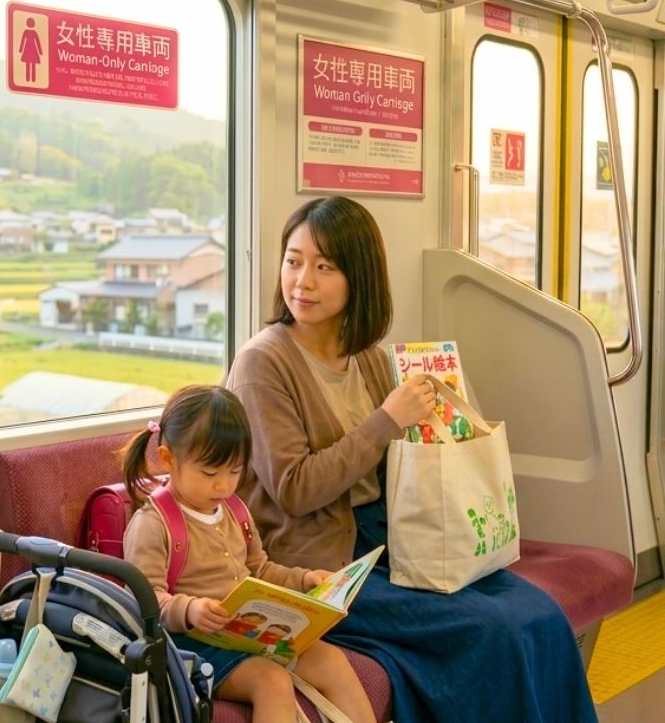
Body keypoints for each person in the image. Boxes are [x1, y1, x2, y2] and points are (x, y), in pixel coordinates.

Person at [226, 196, 598, 723]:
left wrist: (436, 427)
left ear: (359, 277)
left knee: (539, 613)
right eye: (293, 261)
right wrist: (386, 421)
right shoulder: (262, 363)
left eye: (324, 267)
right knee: (494, 631)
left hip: (394, 538)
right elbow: (294, 489)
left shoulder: (369, 357)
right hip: (321, 563)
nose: (302, 281)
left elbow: (394, 465)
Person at [121, 384, 374, 723]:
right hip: (191, 644)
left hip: (248, 633)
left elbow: (261, 570)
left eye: (235, 471)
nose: (224, 485)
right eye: (210, 473)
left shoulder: (235, 510)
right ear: (169, 459)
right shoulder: (153, 523)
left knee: (332, 661)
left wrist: (305, 580)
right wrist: (190, 609)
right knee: (272, 682)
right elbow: (143, 602)